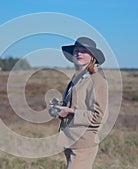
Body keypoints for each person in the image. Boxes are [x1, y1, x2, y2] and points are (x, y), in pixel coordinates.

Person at [51, 37, 108, 169]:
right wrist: (60, 107)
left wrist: (70, 111)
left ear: (92, 57)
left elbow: (98, 116)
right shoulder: (75, 79)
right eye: (76, 50)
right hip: (70, 140)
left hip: (84, 143)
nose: (79, 53)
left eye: (84, 51)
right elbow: (76, 106)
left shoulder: (97, 81)